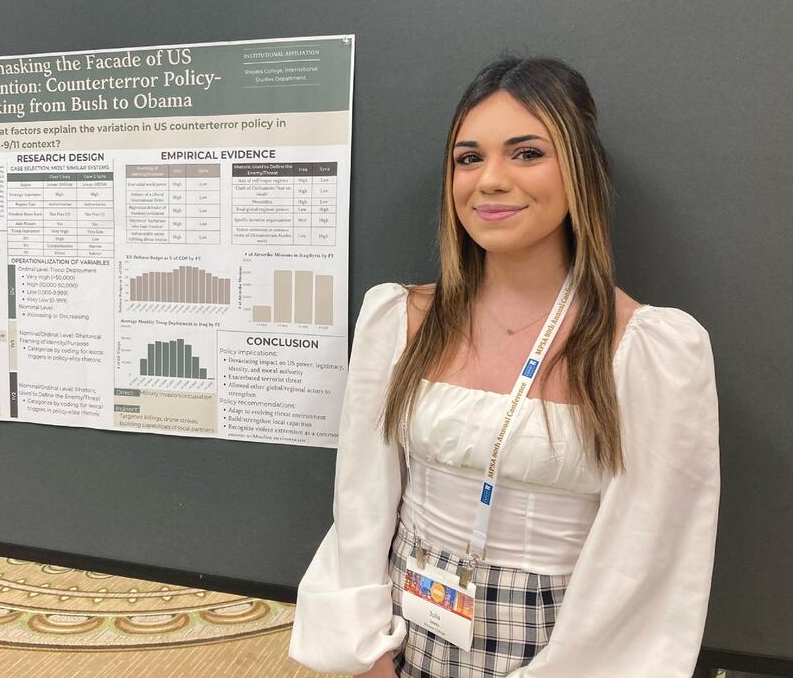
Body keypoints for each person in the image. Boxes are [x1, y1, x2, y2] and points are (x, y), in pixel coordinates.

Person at [288, 55, 720, 677]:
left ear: (581, 172)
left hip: (559, 651)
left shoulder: (648, 351)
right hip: (403, 640)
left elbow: (648, 562)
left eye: (526, 153)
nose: (489, 180)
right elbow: (361, 501)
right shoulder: (399, 319)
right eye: (468, 158)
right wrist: (368, 655)